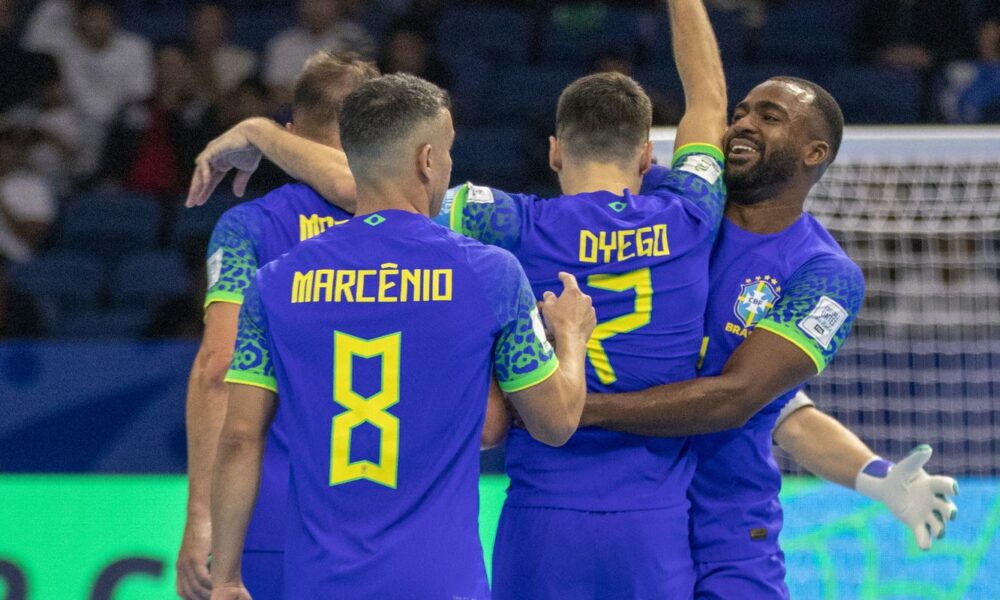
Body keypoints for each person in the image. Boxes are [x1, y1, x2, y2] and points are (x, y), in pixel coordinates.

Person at [209, 73, 595, 599]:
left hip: (318, 583)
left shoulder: (274, 283)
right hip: (440, 583)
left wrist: (227, 577)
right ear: (428, 160)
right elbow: (555, 423)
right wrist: (571, 336)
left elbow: (238, 439)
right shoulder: (489, 274)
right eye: (450, 152)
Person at [581, 76, 959, 598]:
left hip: (727, 530)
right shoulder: (667, 203)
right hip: (614, 507)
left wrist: (579, 409)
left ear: (814, 152)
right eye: (740, 111)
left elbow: (753, 400)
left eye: (769, 116)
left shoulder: (822, 274)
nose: (742, 123)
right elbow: (787, 413)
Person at [175, 51, 377, 600]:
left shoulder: (248, 227)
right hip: (392, 511)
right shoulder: (421, 220)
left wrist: (202, 518)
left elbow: (219, 369)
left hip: (273, 511)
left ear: (291, 136)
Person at [263, 0, 374, 109]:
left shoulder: (356, 39)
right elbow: (276, 91)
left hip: (342, 113)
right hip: (293, 113)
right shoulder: (282, 43)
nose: (315, 6)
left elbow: (359, 86)